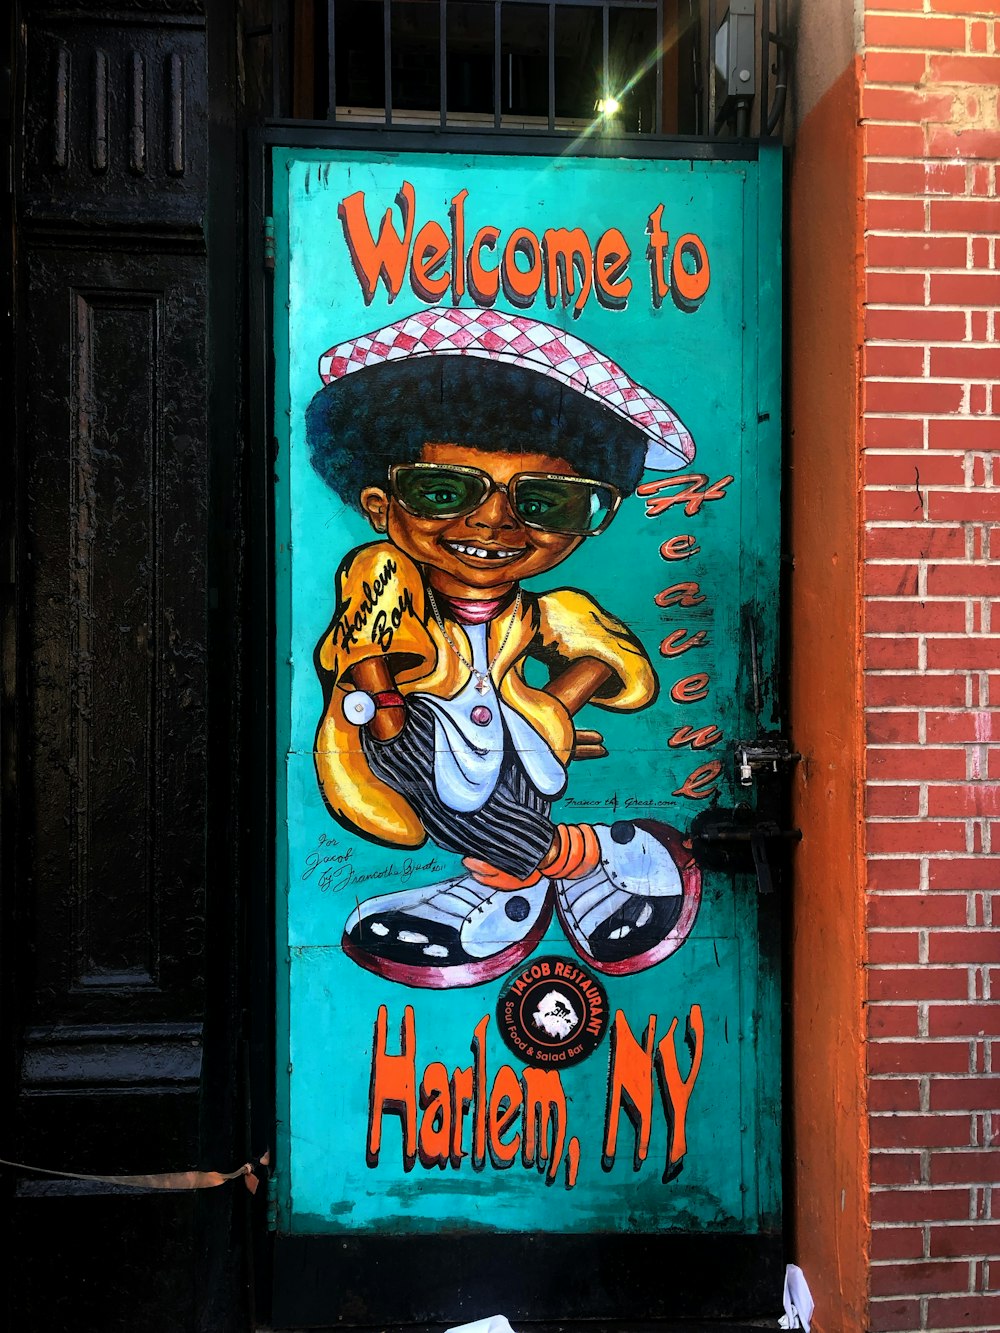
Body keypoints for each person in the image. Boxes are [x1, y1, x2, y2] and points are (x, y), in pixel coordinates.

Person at [306, 307, 701, 988]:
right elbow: (368, 650)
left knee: (494, 782)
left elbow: (615, 662)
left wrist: (551, 708)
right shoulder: (382, 575)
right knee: (425, 771)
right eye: (443, 490)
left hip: (518, 747)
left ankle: (512, 886)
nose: (492, 521)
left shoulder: (553, 612)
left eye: (546, 500)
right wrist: (392, 713)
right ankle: (588, 858)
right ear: (378, 503)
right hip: (409, 729)